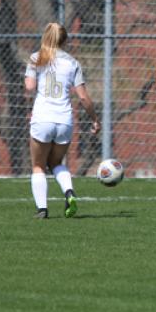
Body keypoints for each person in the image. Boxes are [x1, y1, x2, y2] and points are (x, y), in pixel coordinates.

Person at [25, 22, 101, 219]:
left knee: (38, 165)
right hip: (64, 120)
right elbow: (83, 97)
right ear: (65, 40)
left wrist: (30, 75)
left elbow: (29, 87)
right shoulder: (73, 63)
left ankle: (42, 209)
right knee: (56, 162)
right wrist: (95, 119)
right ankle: (69, 192)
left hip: (42, 117)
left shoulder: (36, 58)